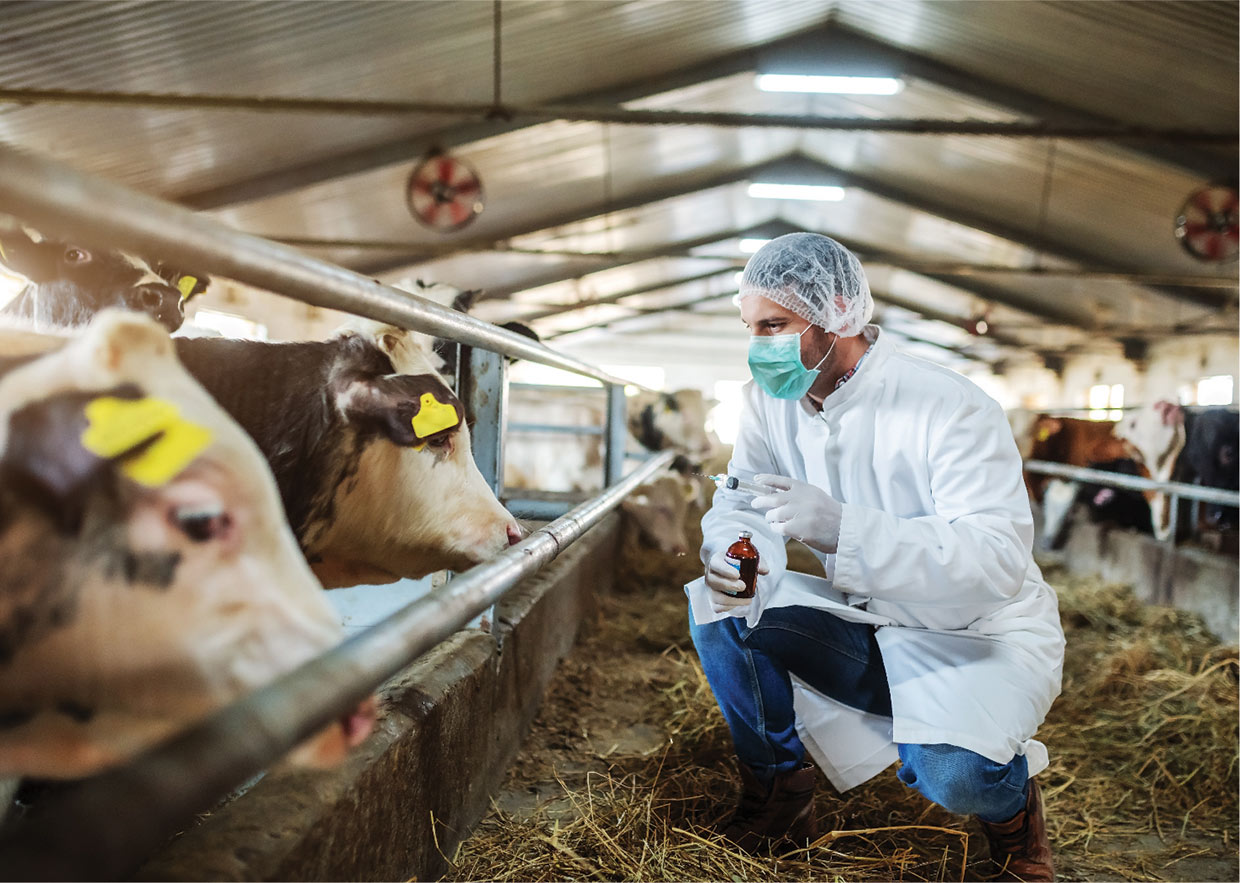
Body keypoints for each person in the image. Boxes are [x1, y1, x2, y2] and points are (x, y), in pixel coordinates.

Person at [687, 233, 1064, 881]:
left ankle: (1013, 814)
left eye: (775, 325)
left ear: (838, 311)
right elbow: (744, 501)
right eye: (750, 327)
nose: (759, 347)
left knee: (954, 774)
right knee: (721, 601)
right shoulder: (767, 405)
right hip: (869, 621)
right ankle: (780, 794)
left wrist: (844, 529)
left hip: (975, 632)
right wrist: (737, 549)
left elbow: (997, 559)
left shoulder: (950, 406)